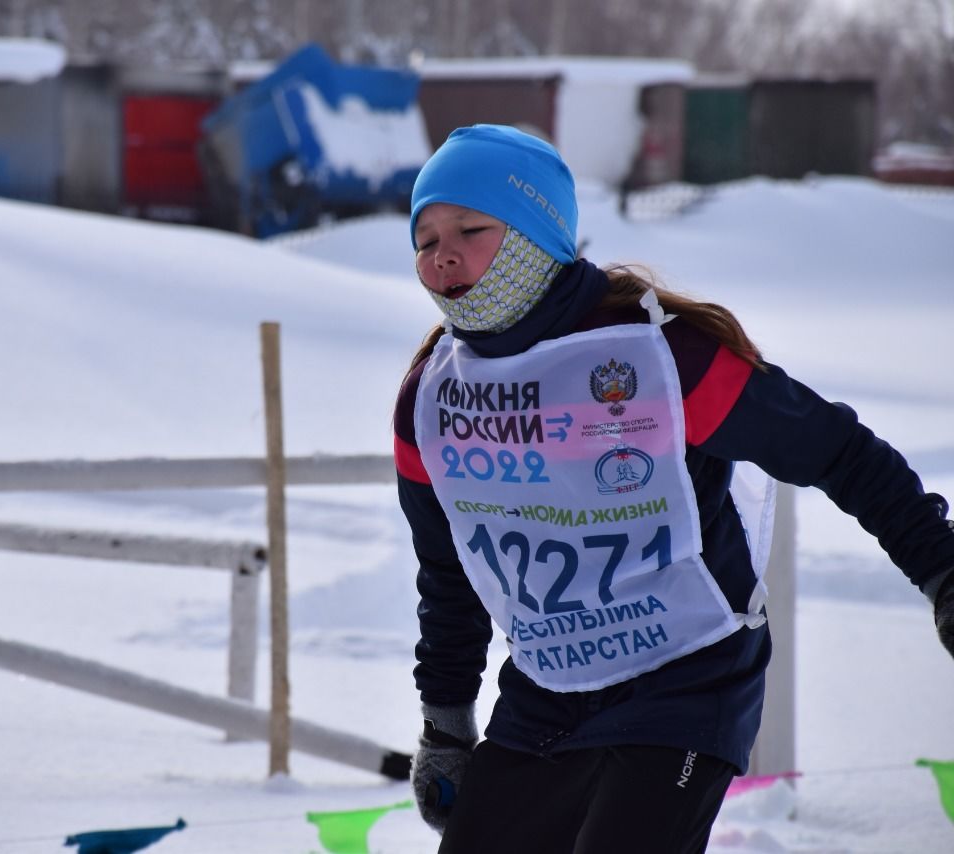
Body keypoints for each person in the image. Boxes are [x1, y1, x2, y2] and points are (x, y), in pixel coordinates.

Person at [393, 124, 954, 853]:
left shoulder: (658, 359)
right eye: (425, 236)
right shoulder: (432, 400)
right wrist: (445, 722)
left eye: (471, 227)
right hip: (548, 692)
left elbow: (836, 451)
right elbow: (451, 570)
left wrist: (940, 568)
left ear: (541, 234)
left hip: (686, 678)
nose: (443, 253)